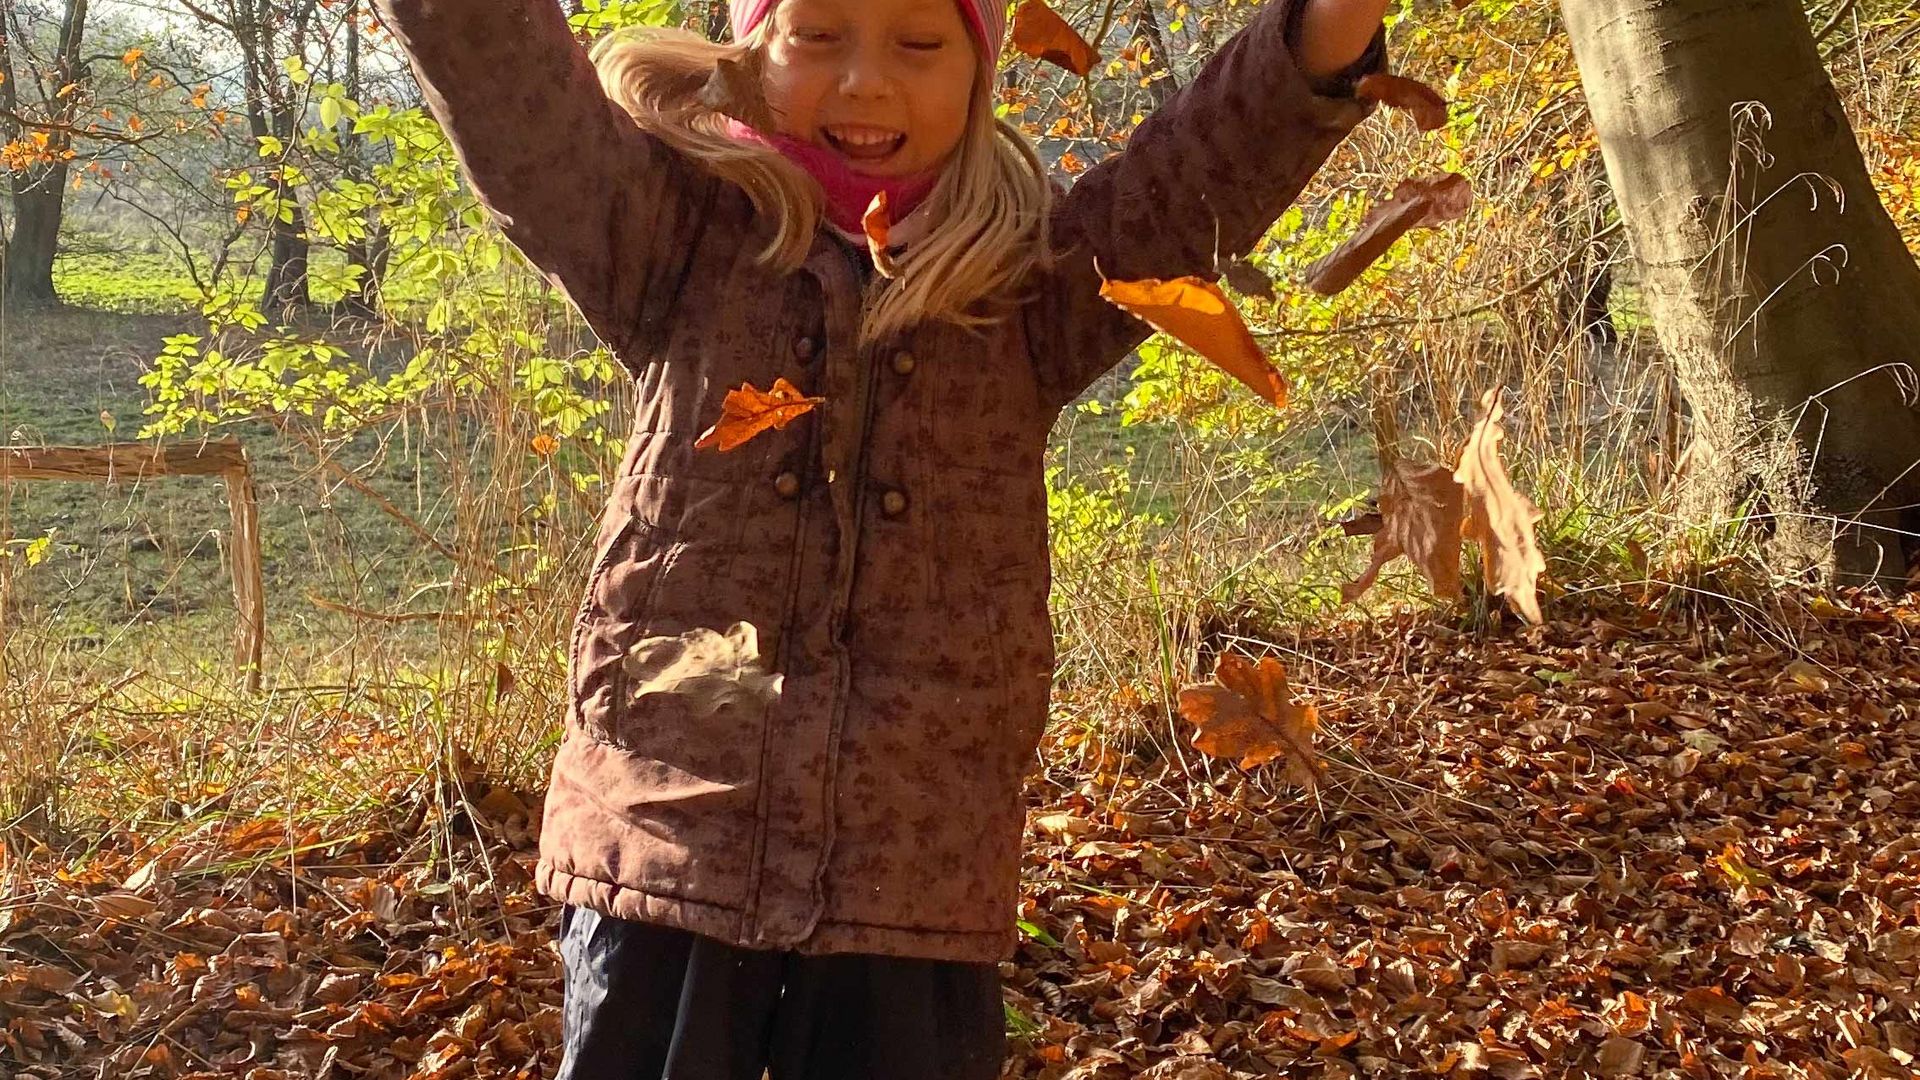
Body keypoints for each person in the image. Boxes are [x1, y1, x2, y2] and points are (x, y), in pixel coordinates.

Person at [374, 0, 1391, 1074]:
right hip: (672, 854)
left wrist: (1329, 31)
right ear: (754, 46)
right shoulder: (669, 237)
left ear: (978, 70)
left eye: (918, 43)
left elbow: (1207, 167)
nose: (866, 84)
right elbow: (505, 89)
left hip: (913, 881)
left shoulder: (1026, 284)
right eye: (818, 36)